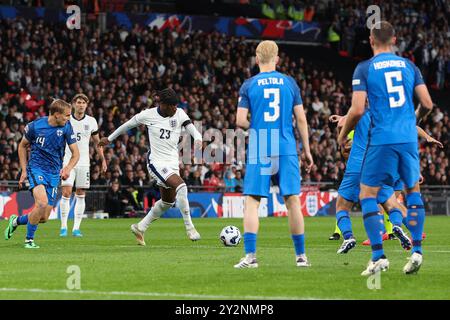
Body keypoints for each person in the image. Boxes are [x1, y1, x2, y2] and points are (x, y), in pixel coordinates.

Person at [338, 21, 434, 276]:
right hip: (407, 139)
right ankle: (417, 251)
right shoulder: (410, 66)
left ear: (371, 41)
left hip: (382, 139)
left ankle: (379, 256)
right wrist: (412, 120)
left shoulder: (365, 68)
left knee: (368, 194)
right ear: (394, 39)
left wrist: (341, 134)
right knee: (412, 191)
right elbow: (427, 103)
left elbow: (358, 110)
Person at [234, 40, 313, 269]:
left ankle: (250, 257)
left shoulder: (249, 85)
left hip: (261, 146)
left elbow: (239, 120)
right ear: (277, 59)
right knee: (292, 201)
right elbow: (301, 119)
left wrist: (256, 128)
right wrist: (306, 150)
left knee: (252, 202)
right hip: (287, 147)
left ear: (257, 59)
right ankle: (301, 257)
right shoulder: (289, 83)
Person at [99, 88, 203, 245]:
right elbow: (126, 125)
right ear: (162, 104)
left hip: (173, 163)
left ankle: (140, 227)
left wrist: (198, 139)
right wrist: (109, 138)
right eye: (172, 106)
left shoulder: (180, 113)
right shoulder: (148, 115)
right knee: (182, 186)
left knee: (167, 202)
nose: (175, 109)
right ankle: (190, 228)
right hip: (156, 162)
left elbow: (193, 129)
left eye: (176, 105)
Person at [329, 114, 440, 254]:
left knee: (342, 207)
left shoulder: (359, 112)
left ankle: (349, 237)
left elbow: (342, 123)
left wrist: (342, 136)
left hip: (356, 166)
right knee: (392, 205)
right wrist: (427, 138)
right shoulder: (388, 116)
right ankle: (399, 226)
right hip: (379, 167)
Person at [4, 99, 80, 248]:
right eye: (67, 115)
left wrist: (68, 169)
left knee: (44, 216)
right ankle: (29, 240)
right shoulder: (35, 126)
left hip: (54, 173)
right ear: (57, 114)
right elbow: (22, 146)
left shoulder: (67, 127)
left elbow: (75, 154)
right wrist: (24, 170)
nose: (69, 118)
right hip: (36, 169)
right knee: (41, 203)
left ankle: (15, 221)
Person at [59, 93, 107, 237]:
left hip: (84, 163)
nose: (81, 105)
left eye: (83, 102)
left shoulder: (91, 121)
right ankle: (63, 227)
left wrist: (103, 159)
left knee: (81, 194)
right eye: (78, 102)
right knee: (66, 192)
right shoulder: (66, 120)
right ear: (73, 104)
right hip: (68, 161)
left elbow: (97, 143)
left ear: (87, 105)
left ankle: (76, 228)